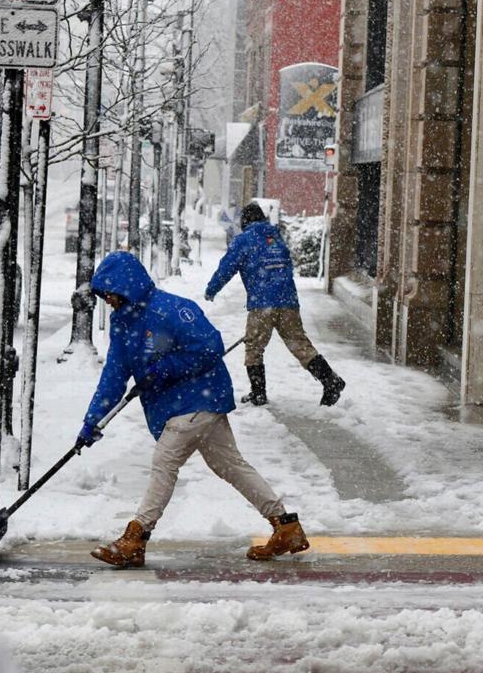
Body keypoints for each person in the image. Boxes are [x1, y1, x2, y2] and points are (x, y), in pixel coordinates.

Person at [78, 251, 310, 569]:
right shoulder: (122, 324)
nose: (109, 301)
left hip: (198, 399)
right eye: (104, 295)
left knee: (164, 462)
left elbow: (210, 346)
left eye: (111, 293)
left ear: (126, 287)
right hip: (183, 405)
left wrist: (166, 369)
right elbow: (114, 375)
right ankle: (286, 526)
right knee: (230, 465)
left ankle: (136, 537)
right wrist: (92, 421)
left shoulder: (171, 310)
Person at [205, 202, 345, 408]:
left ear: (245, 221)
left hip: (262, 304)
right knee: (299, 344)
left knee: (254, 347)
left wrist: (212, 289)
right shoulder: (276, 237)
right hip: (288, 300)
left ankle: (258, 393)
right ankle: (329, 379)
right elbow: (286, 265)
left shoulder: (244, 240)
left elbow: (227, 267)